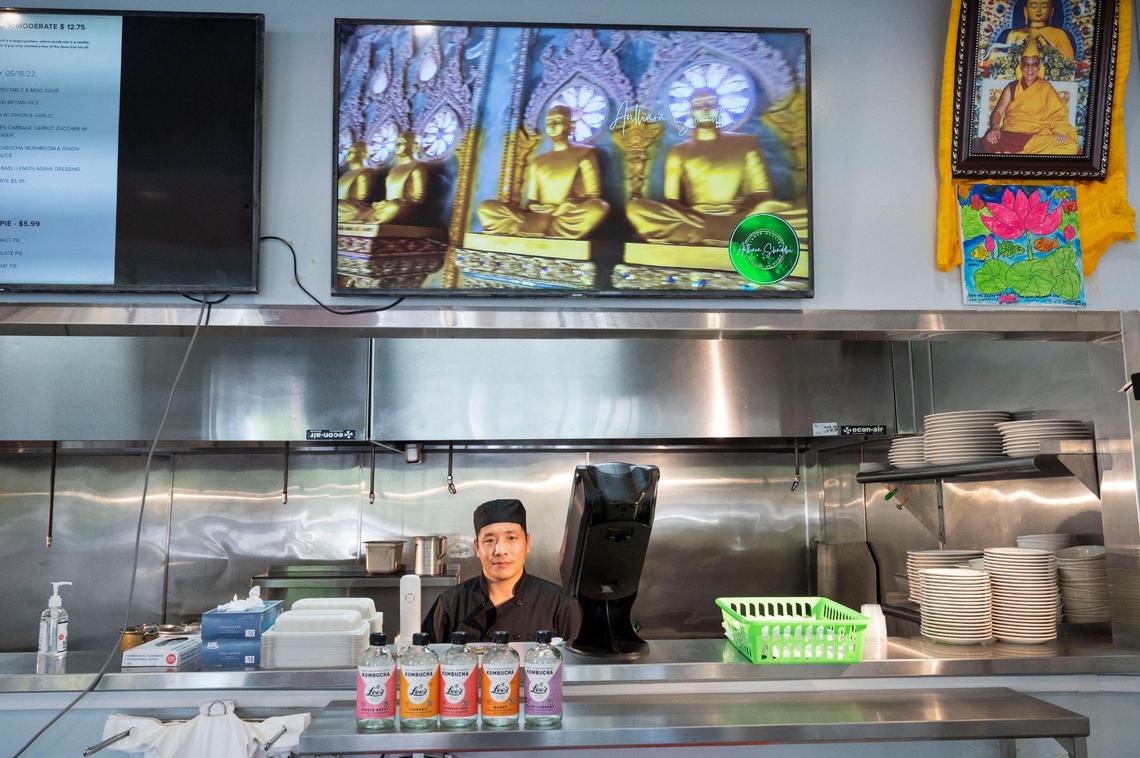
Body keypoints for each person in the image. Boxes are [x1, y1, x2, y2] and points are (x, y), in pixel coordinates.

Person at [626, 88, 790, 245]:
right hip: (696, 218)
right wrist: (694, 216)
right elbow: (672, 201)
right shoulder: (678, 151)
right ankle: (730, 232)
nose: (705, 108)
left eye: (711, 103)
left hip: (739, 217)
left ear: (719, 108)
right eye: (698, 105)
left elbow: (762, 193)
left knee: (794, 212)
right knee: (636, 208)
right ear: (691, 112)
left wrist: (740, 214)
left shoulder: (747, 143)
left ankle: (718, 231)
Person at [422, 498, 580, 643]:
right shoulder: (450, 603)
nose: (500, 550)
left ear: (527, 542)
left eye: (511, 538)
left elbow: (577, 665)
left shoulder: (559, 603)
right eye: (489, 540)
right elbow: (423, 661)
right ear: (477, 547)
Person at [477, 105, 609, 239]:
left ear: (571, 127)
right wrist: (535, 206)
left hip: (564, 216)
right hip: (536, 216)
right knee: (485, 207)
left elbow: (593, 195)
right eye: (549, 122)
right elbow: (532, 200)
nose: (552, 125)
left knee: (598, 207)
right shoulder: (538, 161)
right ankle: (532, 228)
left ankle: (546, 231)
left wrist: (568, 206)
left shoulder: (585, 153)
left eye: (557, 121)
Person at [979, 38, 1078, 155]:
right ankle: (1026, 153)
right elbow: (998, 112)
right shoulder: (1011, 87)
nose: (1030, 69)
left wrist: (1060, 129)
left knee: (1070, 146)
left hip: (1038, 134)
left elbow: (1057, 114)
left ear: (1038, 67)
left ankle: (1017, 153)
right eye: (1026, 64)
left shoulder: (1046, 88)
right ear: (1021, 67)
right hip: (1013, 134)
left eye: (1034, 64)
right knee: (988, 141)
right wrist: (995, 128)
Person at [1004, 0, 1075, 62]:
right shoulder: (1015, 34)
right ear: (1026, 10)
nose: (1038, 10)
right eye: (1034, 6)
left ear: (1051, 11)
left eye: (1044, 6)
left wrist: (1044, 45)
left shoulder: (1060, 34)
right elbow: (1006, 60)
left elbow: (1068, 62)